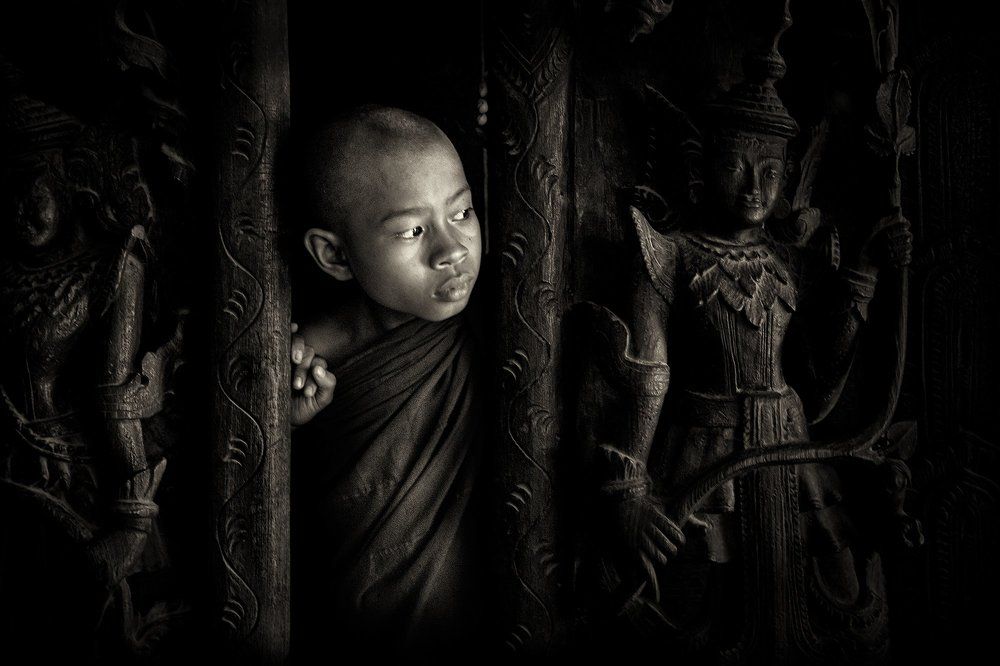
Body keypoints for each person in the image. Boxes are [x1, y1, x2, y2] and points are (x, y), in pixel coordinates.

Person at [593, 46, 913, 663]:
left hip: (790, 448)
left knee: (829, 607)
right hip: (702, 455)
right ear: (704, 160)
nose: (754, 185)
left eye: (770, 170)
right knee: (702, 609)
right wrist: (628, 491)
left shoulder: (789, 261)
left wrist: (865, 275)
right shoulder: (669, 255)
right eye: (736, 164)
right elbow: (646, 377)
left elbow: (818, 386)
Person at [287, 105, 485, 654]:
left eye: (463, 212)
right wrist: (285, 419)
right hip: (348, 614)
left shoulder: (497, 325)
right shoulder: (307, 356)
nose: (452, 251)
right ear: (334, 255)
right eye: (413, 231)